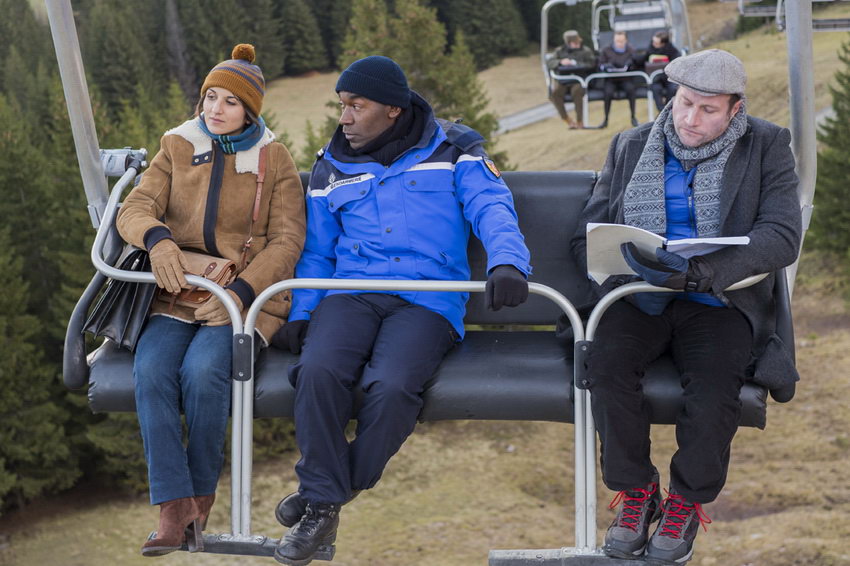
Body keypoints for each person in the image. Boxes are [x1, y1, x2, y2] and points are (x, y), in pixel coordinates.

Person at [270, 55, 532, 566]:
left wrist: (507, 262)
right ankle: (325, 500)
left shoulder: (454, 150)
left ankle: (324, 496)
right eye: (342, 105)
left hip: (427, 297)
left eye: (356, 105)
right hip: (351, 293)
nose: (343, 117)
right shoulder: (331, 166)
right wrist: (302, 312)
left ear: (392, 109)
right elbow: (318, 252)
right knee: (318, 371)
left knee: (389, 387)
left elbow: (491, 206)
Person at [570, 49, 801, 564]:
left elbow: (781, 235)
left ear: (735, 110)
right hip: (639, 293)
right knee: (604, 366)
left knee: (717, 381)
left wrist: (707, 272)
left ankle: (686, 501)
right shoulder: (630, 144)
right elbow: (587, 231)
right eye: (685, 104)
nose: (692, 120)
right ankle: (635, 493)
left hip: (717, 297)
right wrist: (622, 258)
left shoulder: (766, 145)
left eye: (709, 110)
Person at [116, 44, 306, 556]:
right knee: (152, 371)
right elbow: (135, 207)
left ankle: (200, 501)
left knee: (203, 373)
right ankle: (172, 507)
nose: (215, 110)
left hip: (243, 296)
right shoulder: (177, 146)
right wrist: (157, 239)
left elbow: (288, 240)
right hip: (177, 290)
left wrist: (241, 293)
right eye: (210, 98)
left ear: (250, 111)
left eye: (229, 102)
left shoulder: (274, 159)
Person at [547, 29, 597, 129]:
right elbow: (550, 62)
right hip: (563, 79)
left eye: (578, 42)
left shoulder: (585, 51)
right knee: (555, 94)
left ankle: (579, 120)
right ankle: (566, 118)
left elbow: (592, 64)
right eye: (575, 43)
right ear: (569, 43)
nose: (577, 45)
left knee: (577, 92)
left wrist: (577, 65)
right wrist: (560, 62)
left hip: (578, 79)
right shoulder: (560, 51)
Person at [598, 31, 639, 128]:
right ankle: (606, 119)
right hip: (611, 79)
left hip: (625, 79)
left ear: (626, 40)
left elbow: (636, 63)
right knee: (607, 93)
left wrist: (631, 65)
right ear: (614, 40)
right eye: (617, 41)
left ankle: (633, 117)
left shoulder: (631, 50)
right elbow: (600, 64)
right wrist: (606, 66)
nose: (619, 43)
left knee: (631, 90)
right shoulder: (606, 50)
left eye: (621, 41)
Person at [641, 31, 681, 111]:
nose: (653, 44)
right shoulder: (650, 49)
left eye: (656, 43)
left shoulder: (672, 50)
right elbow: (643, 60)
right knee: (656, 89)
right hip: (656, 79)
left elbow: (677, 61)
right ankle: (661, 111)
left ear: (663, 44)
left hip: (668, 78)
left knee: (672, 88)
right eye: (653, 41)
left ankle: (668, 109)